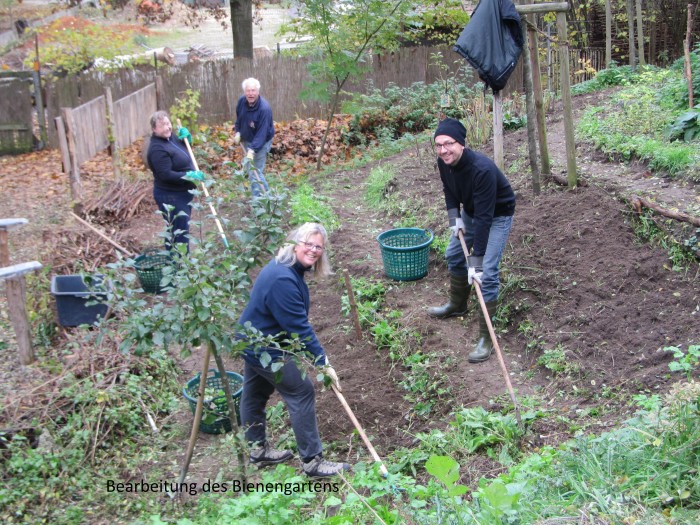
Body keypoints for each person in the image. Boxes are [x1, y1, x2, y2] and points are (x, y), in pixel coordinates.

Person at [237, 222, 349, 477]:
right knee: (301, 391)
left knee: (255, 392)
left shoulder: (285, 267)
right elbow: (298, 327)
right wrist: (323, 363)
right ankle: (312, 462)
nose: (313, 250)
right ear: (296, 243)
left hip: (253, 340)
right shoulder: (283, 280)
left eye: (318, 246)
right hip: (264, 347)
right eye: (308, 244)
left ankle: (257, 450)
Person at [428, 118, 516, 363]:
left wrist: (476, 262)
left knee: (486, 272)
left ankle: (485, 339)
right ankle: (458, 304)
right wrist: (454, 216)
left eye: (449, 144)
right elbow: (449, 190)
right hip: (471, 210)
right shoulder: (443, 162)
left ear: (461, 144)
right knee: (454, 255)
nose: (443, 150)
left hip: (497, 213)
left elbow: (485, 219)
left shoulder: (482, 170)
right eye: (438, 145)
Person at [146, 110, 205, 251]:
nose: (167, 127)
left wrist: (186, 142)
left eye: (168, 123)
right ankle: (179, 266)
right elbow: (166, 175)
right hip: (171, 197)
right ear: (154, 129)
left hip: (183, 193)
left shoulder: (170, 138)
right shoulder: (156, 149)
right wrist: (189, 175)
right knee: (178, 231)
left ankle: (179, 263)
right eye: (162, 125)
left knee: (181, 228)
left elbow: (181, 155)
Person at [233, 77, 274, 198]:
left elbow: (262, 133)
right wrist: (238, 131)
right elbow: (239, 118)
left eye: (253, 90)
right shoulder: (242, 101)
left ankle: (262, 201)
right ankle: (265, 198)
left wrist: (252, 149)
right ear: (244, 91)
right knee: (251, 169)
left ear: (258, 91)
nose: (250, 93)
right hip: (247, 139)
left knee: (255, 171)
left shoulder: (264, 109)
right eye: (248, 90)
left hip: (261, 142)